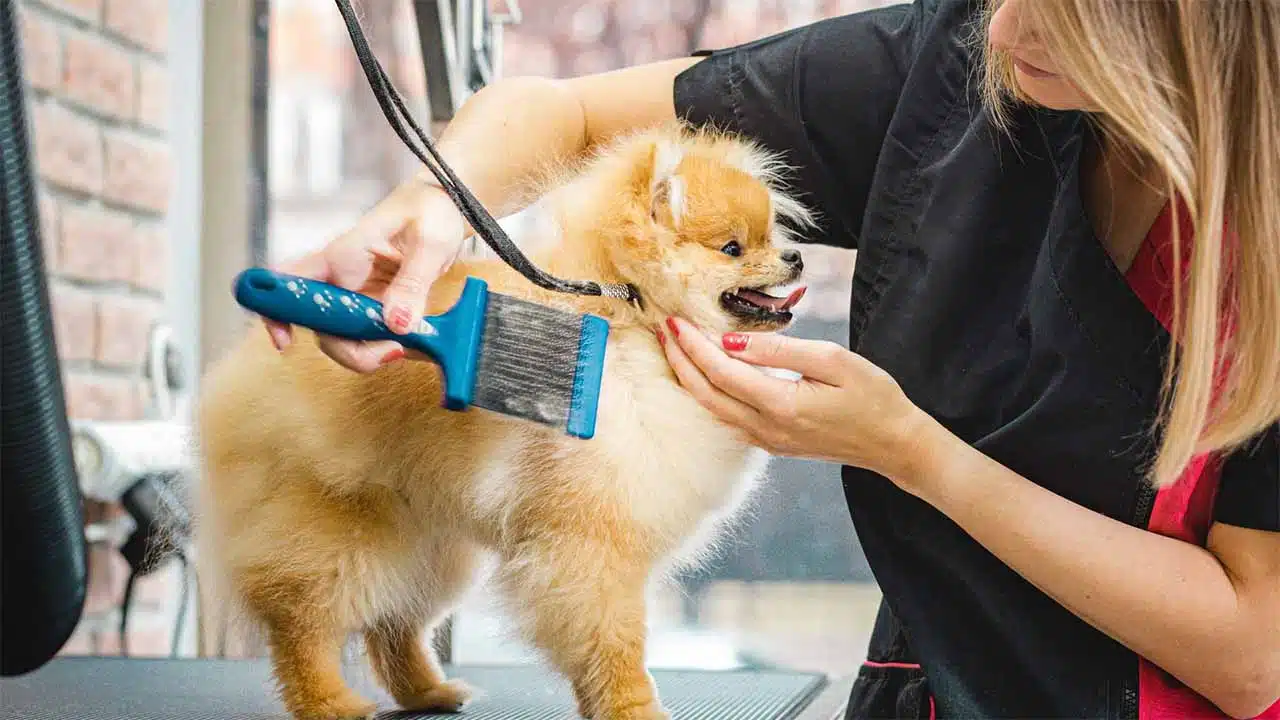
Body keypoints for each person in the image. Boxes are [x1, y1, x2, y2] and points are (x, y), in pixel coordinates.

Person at [264, 0, 1280, 717]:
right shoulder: (954, 61)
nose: (1007, 28)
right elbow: (560, 112)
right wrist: (428, 207)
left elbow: (1249, 657)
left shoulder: (1255, 240)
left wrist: (913, 454)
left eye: (1071, 11)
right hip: (920, 684)